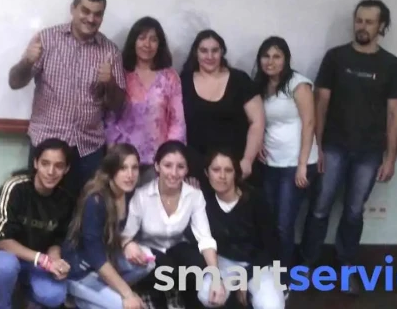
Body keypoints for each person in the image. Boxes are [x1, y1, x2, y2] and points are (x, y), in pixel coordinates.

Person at [301, 0, 397, 294]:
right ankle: (306, 266)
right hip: (333, 146)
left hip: (369, 152)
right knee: (319, 208)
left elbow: (394, 114)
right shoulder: (336, 57)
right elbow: (321, 104)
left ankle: (346, 268)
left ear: (381, 26)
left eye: (369, 22)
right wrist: (317, 147)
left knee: (354, 212)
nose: (362, 26)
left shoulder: (391, 64)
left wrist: (391, 158)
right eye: (359, 20)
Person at [8, 0, 127, 198]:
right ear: (73, 9)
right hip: (47, 144)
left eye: (97, 14)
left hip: (88, 148)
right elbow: (15, 82)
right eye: (85, 11)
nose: (91, 18)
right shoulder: (47, 40)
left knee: (85, 209)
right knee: (40, 207)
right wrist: (27, 61)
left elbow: (117, 105)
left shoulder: (110, 51)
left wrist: (110, 83)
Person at [121, 140, 227, 308]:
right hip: (149, 253)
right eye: (168, 165)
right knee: (165, 270)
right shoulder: (142, 196)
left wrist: (216, 278)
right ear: (157, 166)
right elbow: (126, 235)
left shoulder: (194, 195)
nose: (174, 173)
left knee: (198, 264)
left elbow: (205, 239)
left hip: (177, 248)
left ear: (187, 169)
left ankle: (186, 299)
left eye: (180, 167)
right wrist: (128, 244)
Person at [0, 138, 77, 309]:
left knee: (54, 296)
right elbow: (3, 241)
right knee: (6, 267)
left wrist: (55, 261)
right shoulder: (15, 188)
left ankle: (27, 293)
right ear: (35, 163)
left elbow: (57, 240)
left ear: (66, 169)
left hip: (35, 262)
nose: (51, 171)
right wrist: (42, 259)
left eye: (59, 166)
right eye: (45, 163)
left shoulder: (66, 199)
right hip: (0, 256)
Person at [253, 36, 319, 271]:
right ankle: (270, 271)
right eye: (266, 56)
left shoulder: (298, 84)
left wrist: (302, 164)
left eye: (276, 56)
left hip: (295, 165)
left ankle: (284, 276)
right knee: (270, 221)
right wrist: (258, 142)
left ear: (286, 59)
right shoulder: (261, 85)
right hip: (271, 163)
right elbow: (261, 120)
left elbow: (309, 122)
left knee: (284, 224)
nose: (270, 61)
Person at [62, 143, 155, 309]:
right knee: (124, 306)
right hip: (81, 270)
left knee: (147, 261)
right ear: (111, 170)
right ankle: (80, 297)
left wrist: (127, 242)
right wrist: (127, 293)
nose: (130, 175)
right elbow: (96, 256)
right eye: (123, 168)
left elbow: (120, 234)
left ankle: (101, 294)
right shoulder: (96, 200)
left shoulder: (129, 194)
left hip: (107, 260)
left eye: (134, 168)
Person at [197, 148, 286, 309]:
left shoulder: (255, 199)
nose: (222, 176)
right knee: (206, 295)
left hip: (257, 264)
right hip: (223, 262)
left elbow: (272, 246)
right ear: (206, 173)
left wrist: (245, 278)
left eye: (228, 170)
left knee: (272, 306)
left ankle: (257, 295)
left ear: (235, 173)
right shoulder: (203, 202)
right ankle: (233, 299)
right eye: (216, 170)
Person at [105, 16, 186, 186]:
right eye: (141, 38)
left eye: (153, 39)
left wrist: (170, 156)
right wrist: (112, 149)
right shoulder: (121, 73)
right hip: (123, 159)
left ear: (159, 44)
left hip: (157, 161)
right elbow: (110, 117)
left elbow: (177, 122)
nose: (147, 44)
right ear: (133, 41)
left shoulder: (170, 77)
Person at [180, 29, 265, 188]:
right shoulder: (183, 81)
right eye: (204, 51)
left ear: (222, 52)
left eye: (215, 50)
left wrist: (247, 160)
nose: (210, 56)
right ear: (196, 53)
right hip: (196, 169)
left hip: (235, 166)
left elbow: (257, 122)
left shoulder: (240, 80)